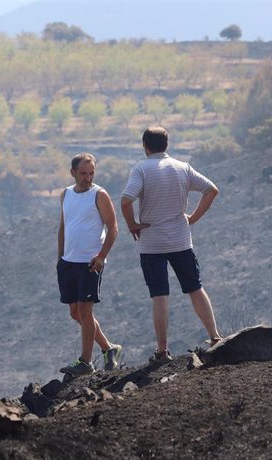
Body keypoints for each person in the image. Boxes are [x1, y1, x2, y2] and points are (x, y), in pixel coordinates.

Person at [120, 126, 223, 363]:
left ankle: (163, 350)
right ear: (167, 144)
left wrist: (132, 225)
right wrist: (193, 218)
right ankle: (215, 337)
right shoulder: (182, 168)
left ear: (145, 146)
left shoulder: (141, 169)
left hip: (151, 244)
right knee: (195, 288)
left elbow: (126, 201)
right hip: (180, 240)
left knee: (159, 295)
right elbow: (211, 190)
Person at [57, 153, 123, 376]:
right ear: (73, 172)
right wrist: (60, 258)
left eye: (91, 173)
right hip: (68, 262)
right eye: (83, 173)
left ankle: (85, 362)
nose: (88, 177)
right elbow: (63, 227)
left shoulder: (99, 194)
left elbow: (113, 227)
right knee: (75, 313)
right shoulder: (65, 194)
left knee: (85, 310)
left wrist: (102, 256)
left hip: (90, 262)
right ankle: (108, 348)